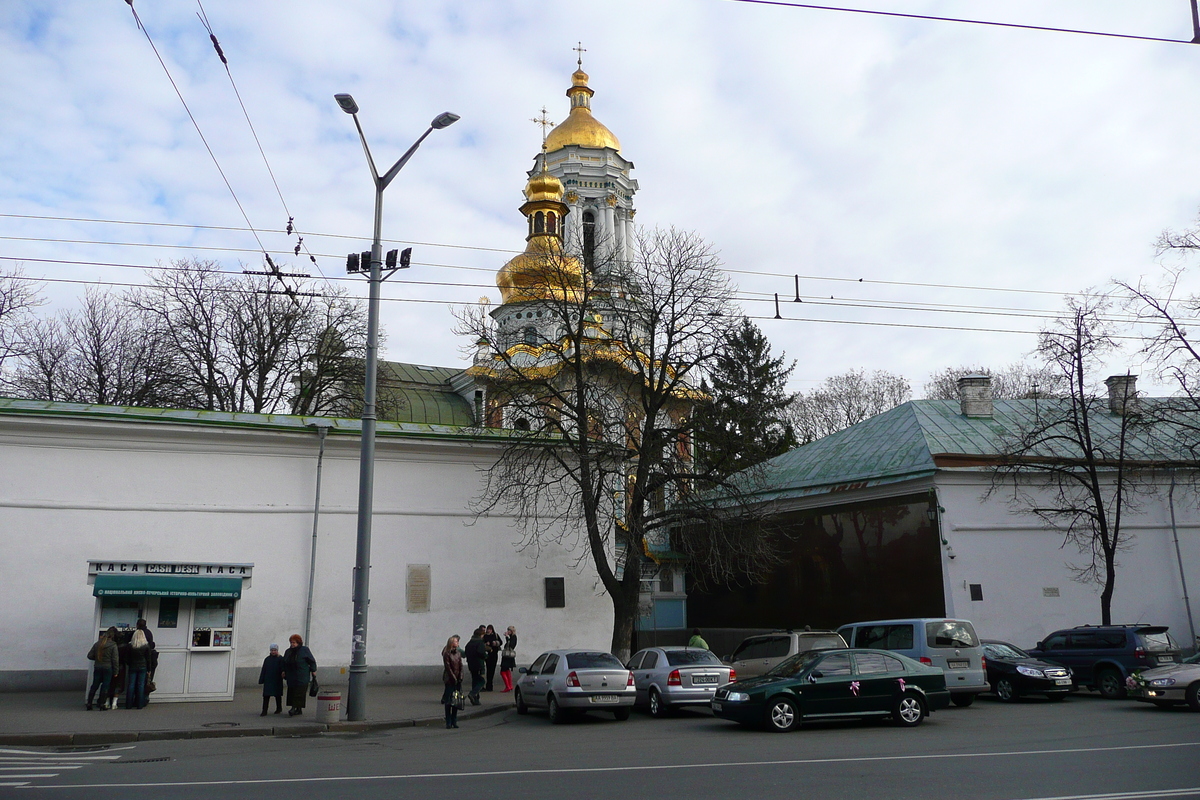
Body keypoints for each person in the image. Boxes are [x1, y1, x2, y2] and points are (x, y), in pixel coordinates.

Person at [85, 627, 119, 711]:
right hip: (108, 668)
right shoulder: (113, 645)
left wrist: (97, 658)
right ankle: (102, 704)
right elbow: (115, 659)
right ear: (112, 636)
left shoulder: (97, 644)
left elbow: (89, 655)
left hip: (98, 666)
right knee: (105, 686)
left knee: (95, 685)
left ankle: (89, 703)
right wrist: (116, 671)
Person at [283, 634, 317, 716]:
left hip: (302, 675)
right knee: (292, 692)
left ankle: (294, 708)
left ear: (298, 642)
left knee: (299, 692)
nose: (292, 644)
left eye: (294, 642)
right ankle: (298, 709)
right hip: (291, 675)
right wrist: (283, 671)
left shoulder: (304, 650)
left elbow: (311, 661)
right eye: (291, 642)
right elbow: (284, 662)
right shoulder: (288, 651)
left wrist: (313, 670)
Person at [124, 628, 152, 710]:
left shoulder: (130, 645)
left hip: (133, 666)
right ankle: (139, 704)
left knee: (131, 685)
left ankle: (128, 705)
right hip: (143, 666)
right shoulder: (146, 646)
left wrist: (129, 664)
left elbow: (126, 658)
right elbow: (148, 658)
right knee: (140, 685)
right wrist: (149, 669)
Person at [441, 635, 463, 729]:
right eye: (456, 641)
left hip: (457, 679)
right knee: (449, 701)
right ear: (451, 643)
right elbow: (448, 667)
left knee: (456, 700)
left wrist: (460, 676)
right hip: (450, 679)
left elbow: (461, 665)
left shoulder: (458, 653)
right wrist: (453, 678)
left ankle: (454, 720)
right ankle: (448, 721)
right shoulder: (447, 653)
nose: (457, 643)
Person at [258, 644, 286, 716]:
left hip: (277, 679)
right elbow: (264, 669)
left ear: (277, 651)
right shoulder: (267, 659)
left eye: (275, 650)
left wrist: (283, 673)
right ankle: (264, 710)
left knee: (277, 695)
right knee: (266, 696)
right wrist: (261, 679)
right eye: (272, 650)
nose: (273, 652)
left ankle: (279, 708)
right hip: (268, 679)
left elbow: (283, 668)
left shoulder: (280, 659)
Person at [463, 626, 486, 705]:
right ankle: (472, 694)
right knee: (481, 681)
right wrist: (486, 656)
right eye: (483, 635)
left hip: (471, 664)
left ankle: (475, 699)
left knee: (475, 681)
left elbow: (466, 653)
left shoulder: (469, 643)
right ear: (480, 635)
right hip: (479, 664)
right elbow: (481, 653)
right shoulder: (480, 643)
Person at [482, 624, 503, 691]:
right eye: (488, 629)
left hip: (494, 654)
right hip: (488, 655)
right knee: (488, 670)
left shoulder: (495, 635)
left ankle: (490, 685)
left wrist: (495, 643)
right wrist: (486, 644)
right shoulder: (484, 636)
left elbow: (501, 642)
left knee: (492, 670)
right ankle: (488, 685)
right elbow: (482, 643)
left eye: (490, 629)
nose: (489, 630)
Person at [499, 626, 518, 693]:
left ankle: (508, 686)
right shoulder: (512, 637)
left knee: (503, 671)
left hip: (508, 657)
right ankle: (509, 686)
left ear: (511, 631)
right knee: (507, 671)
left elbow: (511, 645)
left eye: (509, 630)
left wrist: (507, 637)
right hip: (507, 657)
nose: (508, 631)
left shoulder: (513, 637)